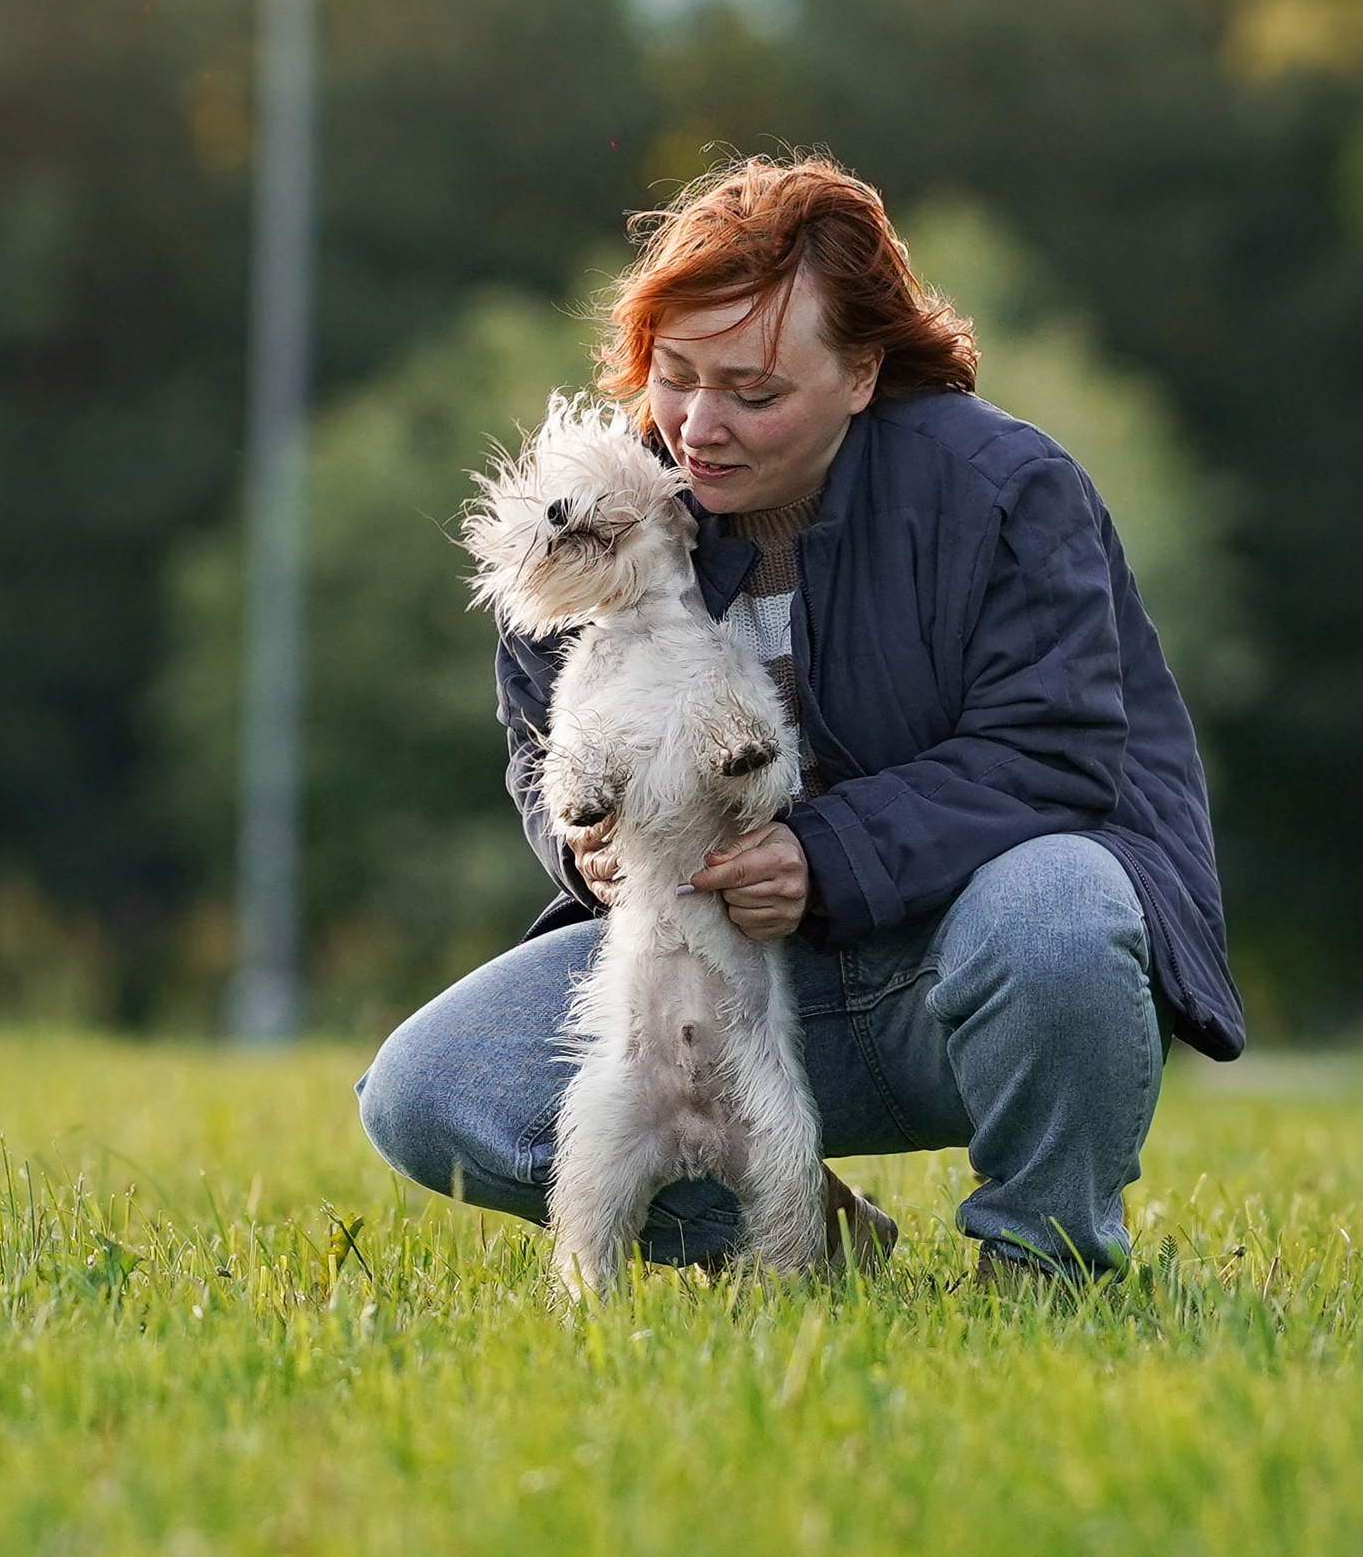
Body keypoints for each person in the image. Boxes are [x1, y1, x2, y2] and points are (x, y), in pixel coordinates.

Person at [358, 157, 1241, 1284]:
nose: (697, 427)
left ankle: (1045, 1264)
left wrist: (820, 855)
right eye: (674, 375)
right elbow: (547, 742)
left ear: (863, 371)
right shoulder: (596, 508)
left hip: (967, 972)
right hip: (712, 977)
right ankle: (804, 1235)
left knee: (1063, 903)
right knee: (431, 1089)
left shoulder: (1007, 488)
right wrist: (582, 846)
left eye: (754, 390)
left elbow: (1051, 750)